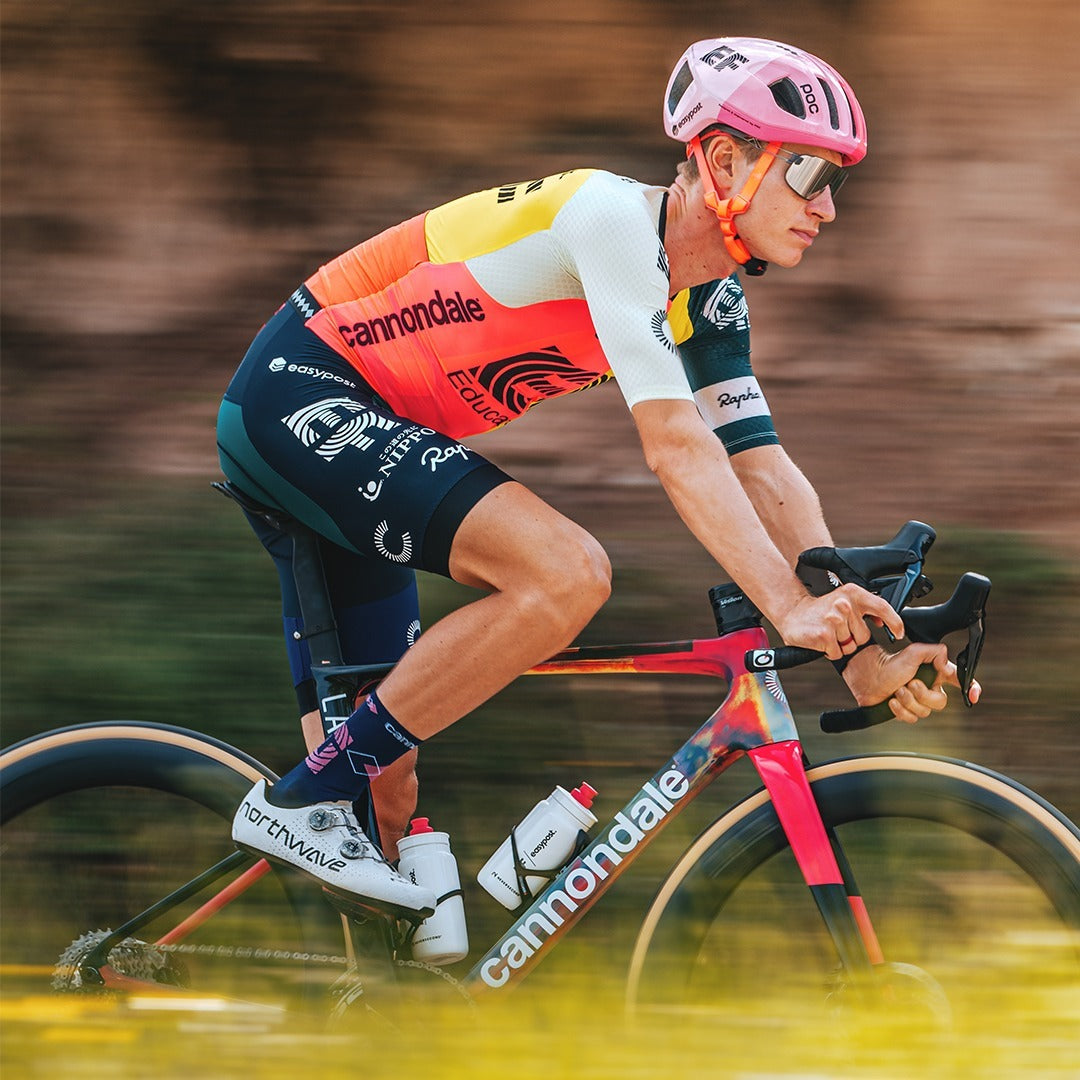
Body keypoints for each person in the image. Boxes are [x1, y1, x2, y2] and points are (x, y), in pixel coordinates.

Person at [219, 37, 979, 916]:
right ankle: (299, 805)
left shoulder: (710, 298)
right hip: (300, 395)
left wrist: (853, 642)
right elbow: (677, 447)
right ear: (724, 160)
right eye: (809, 174)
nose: (829, 207)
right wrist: (789, 607)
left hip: (374, 435)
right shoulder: (613, 222)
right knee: (565, 571)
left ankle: (356, 996)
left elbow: (761, 466)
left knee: (384, 795)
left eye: (837, 182)